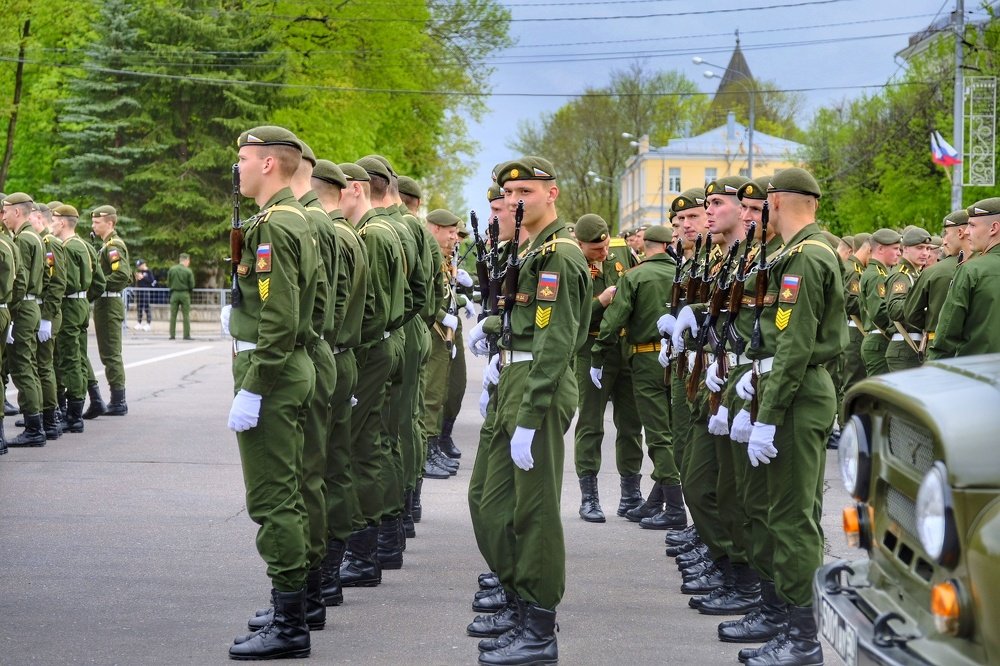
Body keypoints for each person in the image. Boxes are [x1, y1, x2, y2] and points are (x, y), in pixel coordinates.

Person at [467, 156, 590, 666]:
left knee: (534, 512)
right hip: (514, 378)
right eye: (508, 192)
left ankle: (538, 627)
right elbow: (525, 318)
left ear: (552, 194)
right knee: (487, 502)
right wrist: (492, 331)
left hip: (538, 384)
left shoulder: (559, 254)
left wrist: (531, 415)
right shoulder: (533, 248)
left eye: (526, 191)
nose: (515, 200)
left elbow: (556, 340)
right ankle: (519, 602)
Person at [734, 168, 847, 665]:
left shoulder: (805, 257)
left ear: (776, 201)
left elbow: (796, 346)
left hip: (798, 397)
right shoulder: (799, 252)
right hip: (788, 390)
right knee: (780, 512)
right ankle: (783, 616)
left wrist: (768, 414)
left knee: (793, 518)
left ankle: (803, 639)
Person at [225, 125, 318, 660]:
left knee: (273, 497)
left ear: (266, 164)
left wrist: (254, 386)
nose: (236, 168)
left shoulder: (275, 226)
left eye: (242, 159)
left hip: (274, 372)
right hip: (287, 365)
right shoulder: (289, 218)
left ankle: (289, 625)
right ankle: (294, 604)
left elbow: (280, 316)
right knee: (291, 491)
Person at [310, 159, 370, 607]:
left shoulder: (331, 235)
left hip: (330, 355)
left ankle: (325, 573)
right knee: (336, 466)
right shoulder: (349, 234)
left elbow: (327, 308)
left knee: (323, 469)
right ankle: (330, 570)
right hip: (344, 355)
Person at [572, 213, 642, 522]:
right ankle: (589, 497)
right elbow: (569, 317)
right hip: (590, 350)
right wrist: (600, 301)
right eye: (595, 250)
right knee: (591, 424)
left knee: (631, 424)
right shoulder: (570, 262)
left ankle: (631, 494)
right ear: (580, 244)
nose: (603, 254)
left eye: (604, 248)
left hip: (624, 349)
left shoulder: (623, 251)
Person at [928, 197, 1000, 359]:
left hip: (977, 371)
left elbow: (948, 330)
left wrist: (935, 366)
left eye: (972, 225)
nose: (967, 231)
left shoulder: (971, 270)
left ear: (993, 228)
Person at [3, 193, 47, 447]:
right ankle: (37, 422)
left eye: (6, 211)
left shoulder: (24, 240)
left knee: (22, 367)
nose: (4, 216)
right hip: (31, 305)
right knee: (27, 365)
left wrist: (9, 309)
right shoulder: (34, 237)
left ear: (17, 212)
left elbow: (18, 281)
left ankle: (34, 428)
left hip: (23, 307)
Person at [51, 204, 93, 433]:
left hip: (70, 304)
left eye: (54, 219)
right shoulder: (83, 245)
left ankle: (74, 414)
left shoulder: (67, 247)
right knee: (77, 355)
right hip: (82, 303)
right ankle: (75, 409)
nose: (52, 223)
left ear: (64, 222)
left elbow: (66, 281)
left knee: (70, 359)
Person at [91, 204, 132, 415]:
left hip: (109, 303)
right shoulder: (106, 245)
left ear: (110, 222)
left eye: (97, 222)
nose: (93, 225)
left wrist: (98, 284)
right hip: (105, 303)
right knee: (107, 353)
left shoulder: (112, 246)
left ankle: (119, 400)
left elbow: (122, 274)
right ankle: (116, 398)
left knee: (111, 353)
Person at [883, 227, 933, 371]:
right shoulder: (902, 275)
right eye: (920, 248)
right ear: (905, 248)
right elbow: (895, 309)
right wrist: (925, 306)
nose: (925, 253)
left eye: (928, 249)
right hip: (904, 346)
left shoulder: (915, 273)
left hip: (912, 345)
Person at [858, 229, 901, 377]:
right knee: (879, 395)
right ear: (881, 249)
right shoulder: (876, 275)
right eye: (895, 249)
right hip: (879, 340)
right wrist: (897, 331)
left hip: (878, 339)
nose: (899, 253)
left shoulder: (880, 273)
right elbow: (879, 311)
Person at [166, 254, 194, 340]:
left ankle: (172, 335)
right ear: (186, 260)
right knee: (186, 315)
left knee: (173, 315)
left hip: (174, 294)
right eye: (188, 261)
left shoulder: (172, 269)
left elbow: (168, 282)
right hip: (185, 294)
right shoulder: (188, 271)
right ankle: (186, 335)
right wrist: (188, 290)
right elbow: (192, 284)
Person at [134, 259, 155, 331]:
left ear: (143, 264)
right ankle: (139, 323)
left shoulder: (149, 271)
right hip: (139, 292)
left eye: (139, 266)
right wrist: (137, 278)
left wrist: (143, 277)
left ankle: (148, 323)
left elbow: (152, 281)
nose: (138, 267)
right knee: (139, 307)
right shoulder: (139, 272)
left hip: (146, 292)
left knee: (146, 307)